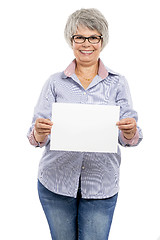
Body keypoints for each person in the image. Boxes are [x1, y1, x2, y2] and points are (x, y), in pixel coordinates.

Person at [27, 8, 143, 240]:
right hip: (55, 184)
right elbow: (35, 137)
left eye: (93, 37)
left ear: (102, 40)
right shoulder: (55, 83)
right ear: (71, 40)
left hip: (101, 187)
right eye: (79, 37)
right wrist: (39, 132)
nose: (86, 43)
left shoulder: (118, 83)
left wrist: (130, 131)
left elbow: (130, 137)